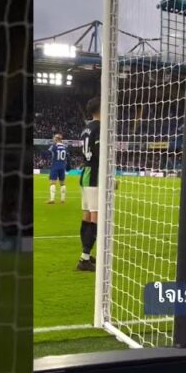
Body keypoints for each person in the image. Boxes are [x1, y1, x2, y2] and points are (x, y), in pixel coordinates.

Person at [77, 97, 101, 272]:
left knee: (86, 216)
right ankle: (85, 259)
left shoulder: (86, 128)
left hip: (85, 173)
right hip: (94, 174)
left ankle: (85, 255)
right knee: (95, 216)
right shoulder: (100, 128)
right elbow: (99, 153)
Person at [47, 133, 69, 204]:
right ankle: (62, 200)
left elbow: (49, 153)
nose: (53, 139)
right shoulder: (65, 146)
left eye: (54, 138)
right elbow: (68, 156)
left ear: (56, 139)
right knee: (62, 183)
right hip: (62, 166)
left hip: (55, 165)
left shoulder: (54, 146)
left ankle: (52, 200)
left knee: (52, 182)